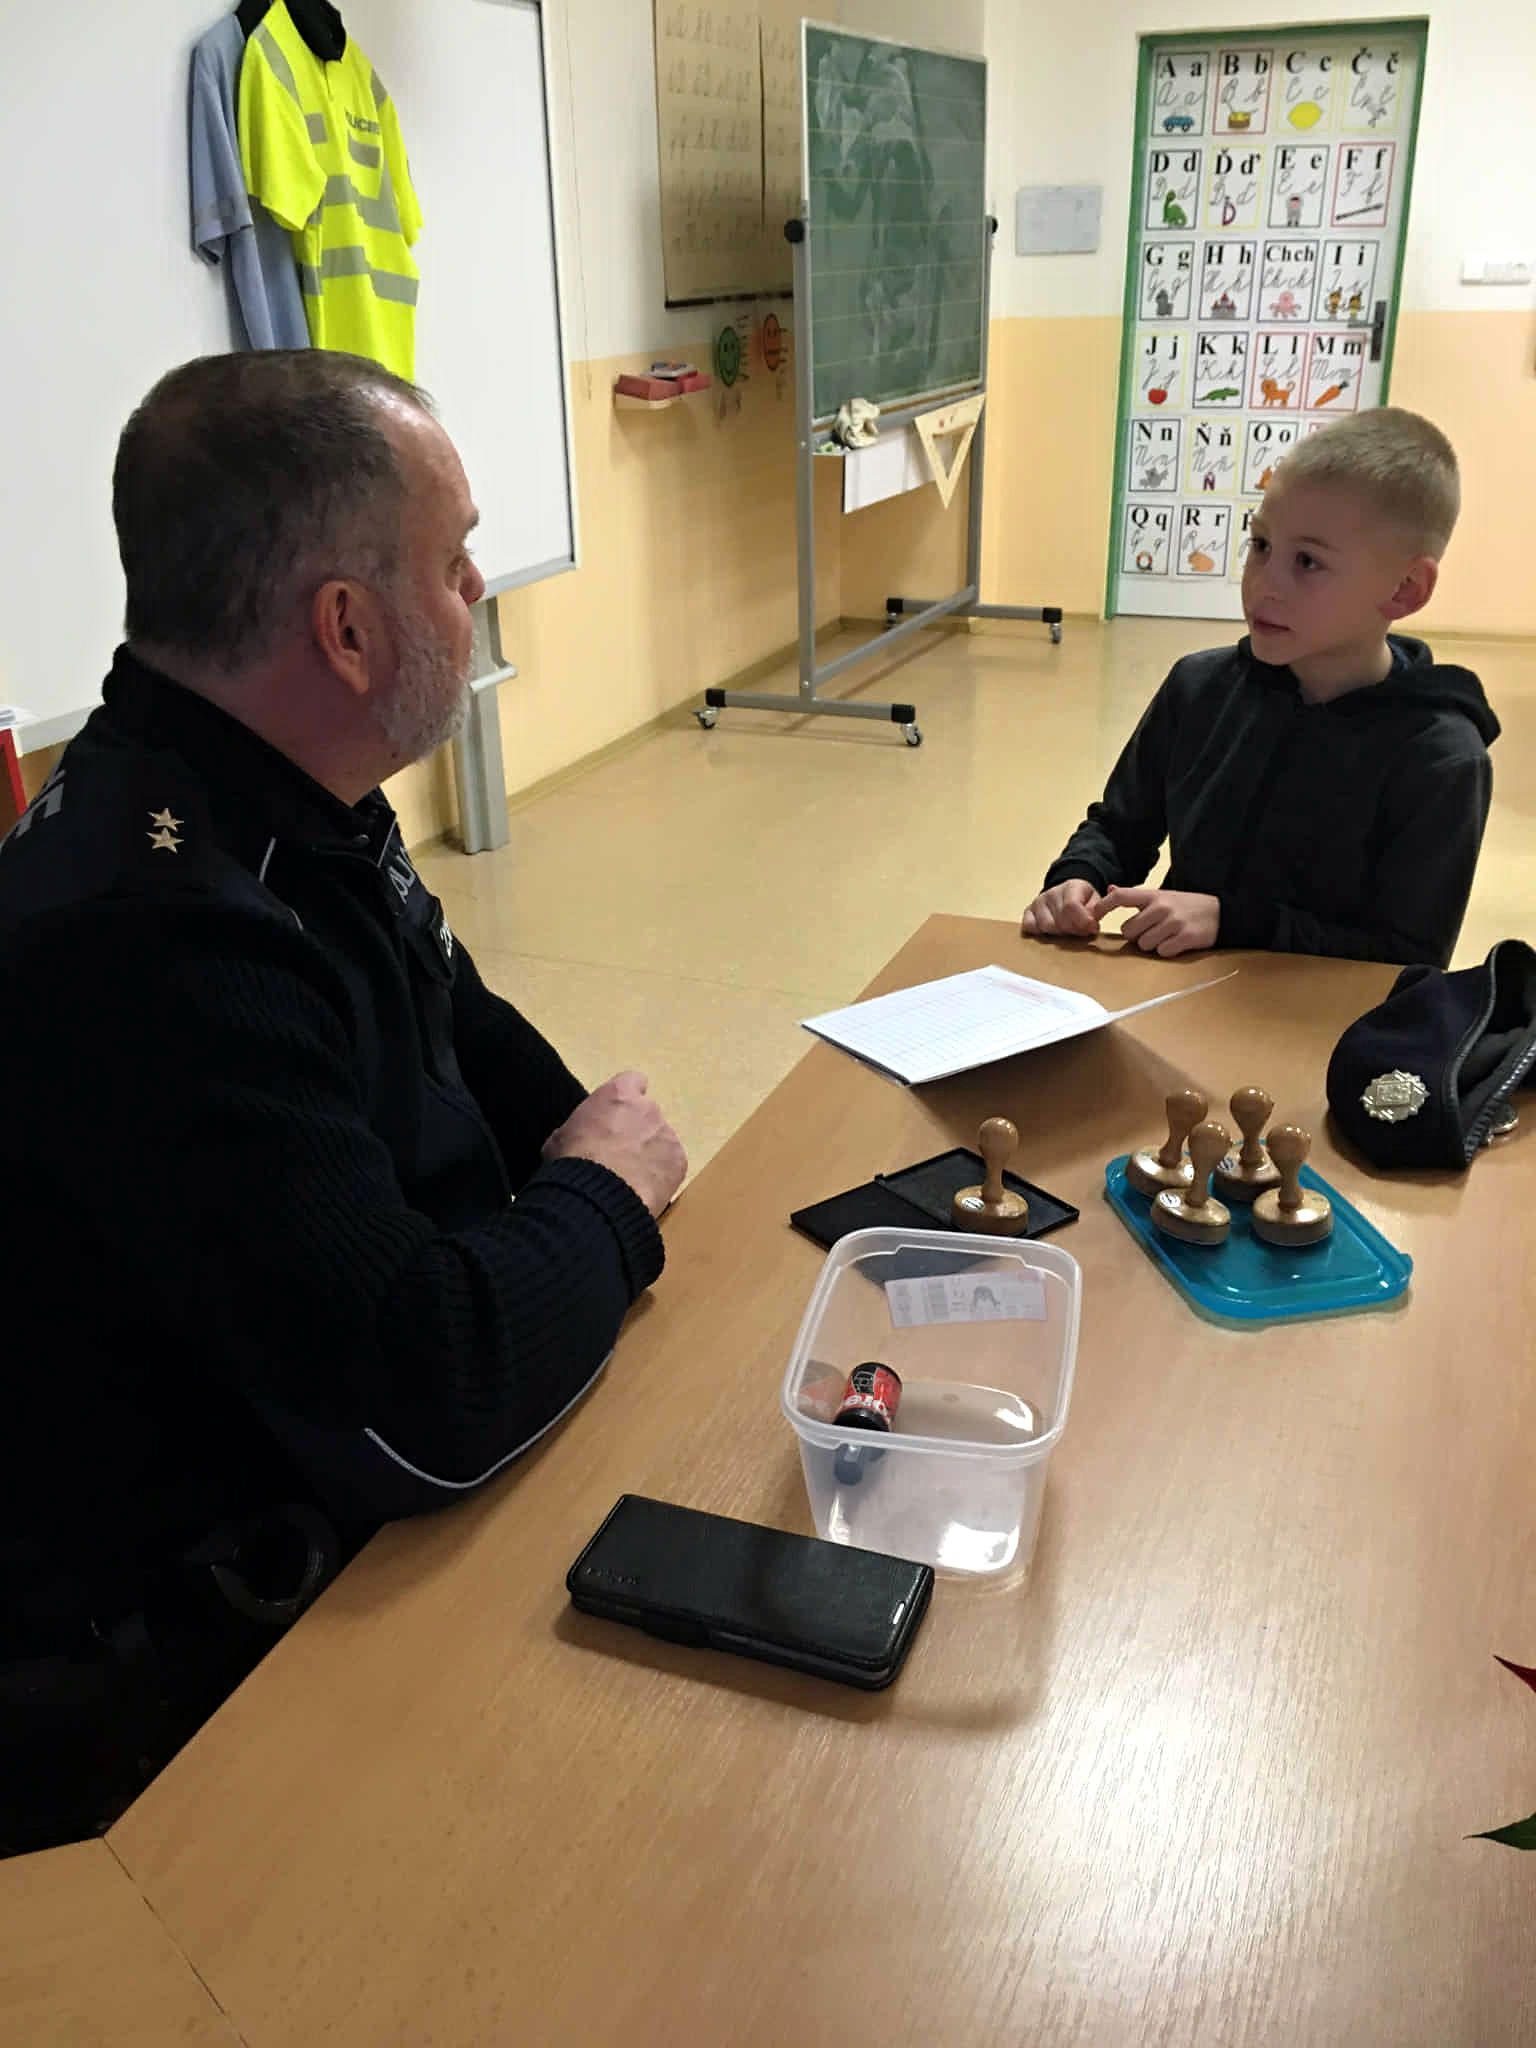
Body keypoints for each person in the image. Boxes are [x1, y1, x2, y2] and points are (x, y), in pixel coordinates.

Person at [0, 351, 687, 1851]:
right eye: (455, 561)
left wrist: (589, 1169)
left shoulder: (276, 795)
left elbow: (475, 1043)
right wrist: (603, 1196)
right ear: (350, 629)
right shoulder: (155, 939)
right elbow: (421, 1400)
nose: (479, 586)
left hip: (349, 1504)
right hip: (185, 1700)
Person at [1022, 408, 1498, 966]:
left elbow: (1406, 955)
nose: (1263, 585)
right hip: (1175, 989)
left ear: (1405, 589)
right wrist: (1079, 876)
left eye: (1308, 562)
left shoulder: (1441, 759)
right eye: (1261, 545)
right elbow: (1120, 826)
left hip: (1319, 1015)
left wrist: (1232, 921)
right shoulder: (1197, 686)